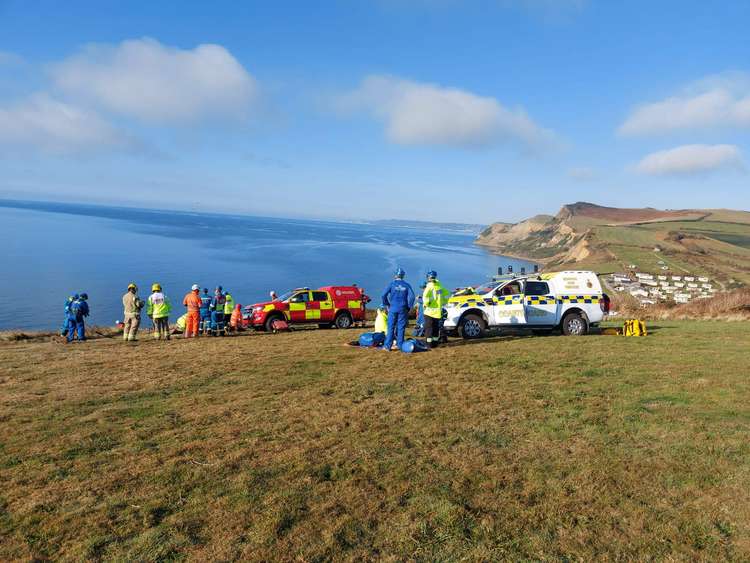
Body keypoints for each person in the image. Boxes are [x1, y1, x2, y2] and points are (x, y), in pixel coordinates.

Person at [381, 267, 415, 352]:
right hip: (403, 308)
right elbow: (412, 297)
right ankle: (400, 346)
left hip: (393, 308)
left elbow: (383, 295)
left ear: (395, 275)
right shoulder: (407, 285)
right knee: (401, 327)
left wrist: (386, 304)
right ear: (403, 276)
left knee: (391, 326)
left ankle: (387, 346)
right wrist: (409, 306)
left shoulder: (391, 284)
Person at [422, 270, 449, 348]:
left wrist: (427, 304)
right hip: (437, 312)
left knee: (429, 329)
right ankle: (435, 343)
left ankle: (428, 344)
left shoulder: (429, 287)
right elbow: (447, 294)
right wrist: (444, 302)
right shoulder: (439, 286)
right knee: (436, 328)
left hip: (429, 312)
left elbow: (425, 297)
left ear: (428, 278)